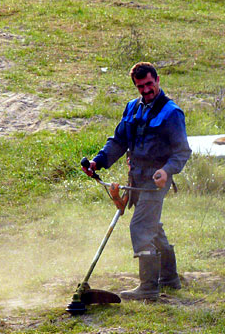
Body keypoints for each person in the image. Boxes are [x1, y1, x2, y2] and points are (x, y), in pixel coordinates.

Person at [82, 62, 191, 301]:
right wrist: (97, 162)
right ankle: (169, 277)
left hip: (156, 181)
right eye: (140, 86)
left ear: (158, 80)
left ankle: (148, 287)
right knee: (151, 226)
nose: (146, 90)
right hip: (136, 179)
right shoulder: (132, 108)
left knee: (141, 226)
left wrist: (167, 171)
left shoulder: (172, 113)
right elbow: (118, 141)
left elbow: (182, 151)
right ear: (136, 86)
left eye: (149, 84)